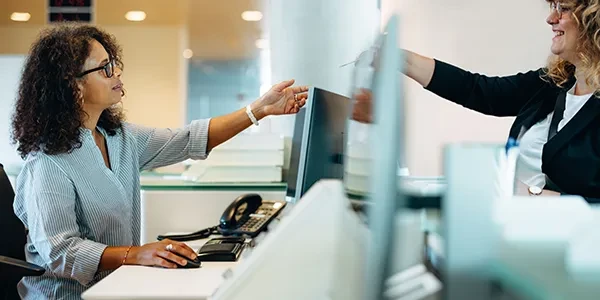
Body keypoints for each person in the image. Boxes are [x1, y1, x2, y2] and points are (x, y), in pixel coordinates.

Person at [10, 24, 308, 299]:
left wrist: (259, 109)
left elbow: (188, 139)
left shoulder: (118, 137)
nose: (117, 74)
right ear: (73, 86)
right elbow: (61, 251)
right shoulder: (47, 163)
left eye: (113, 64)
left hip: (117, 287)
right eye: (105, 69)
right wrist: (135, 254)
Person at [353, 0, 600, 201]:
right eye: (552, 7)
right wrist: (398, 58)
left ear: (593, 18)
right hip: (513, 227)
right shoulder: (553, 84)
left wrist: (535, 195)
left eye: (563, 8)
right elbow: (479, 90)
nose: (551, 18)